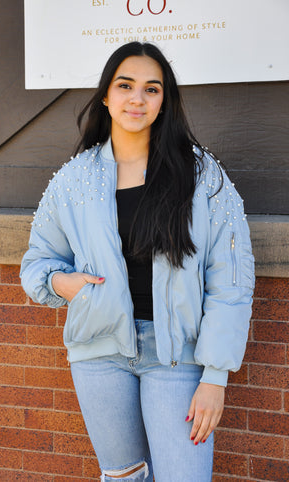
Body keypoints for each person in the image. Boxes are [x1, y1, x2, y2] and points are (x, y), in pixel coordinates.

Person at [20, 42, 255, 481]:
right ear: (106, 96)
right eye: (125, 85)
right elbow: (37, 261)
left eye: (152, 89)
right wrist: (62, 284)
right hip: (100, 356)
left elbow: (232, 281)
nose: (137, 98)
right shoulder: (74, 180)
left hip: (176, 359)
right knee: (123, 477)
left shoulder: (203, 176)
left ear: (164, 102)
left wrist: (215, 378)